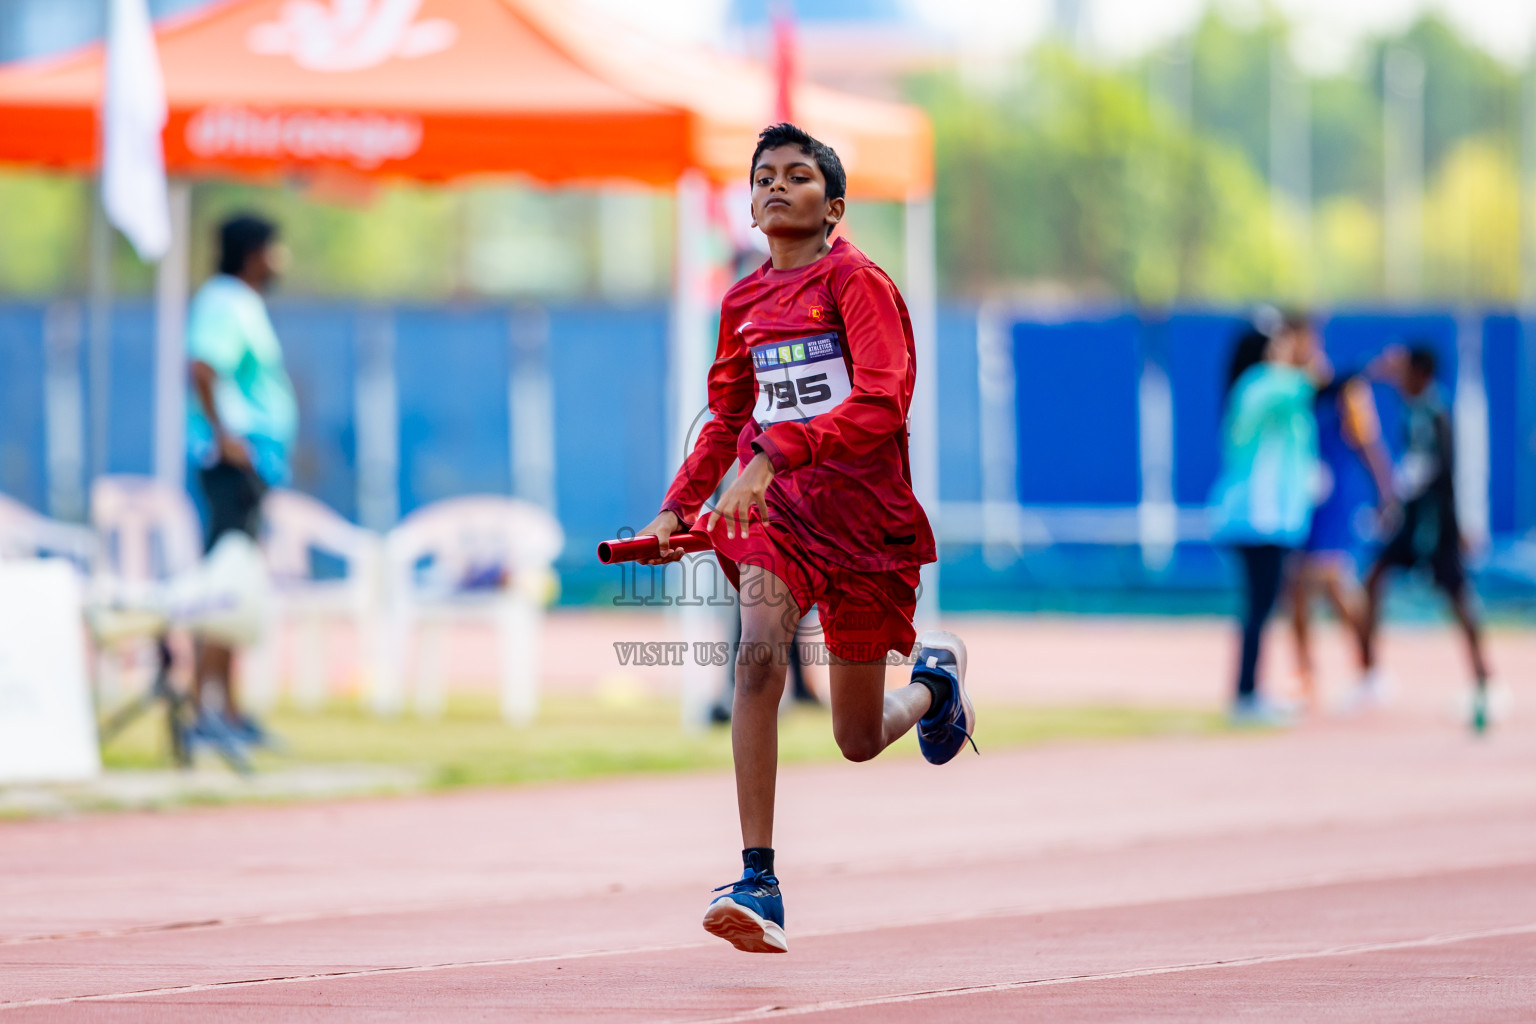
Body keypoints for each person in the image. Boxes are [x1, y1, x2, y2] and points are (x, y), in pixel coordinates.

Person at [633, 123, 975, 954]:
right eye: (763, 178)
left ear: (835, 207)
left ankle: (934, 683)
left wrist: (781, 449)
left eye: (797, 176)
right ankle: (759, 878)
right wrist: (676, 509)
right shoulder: (743, 302)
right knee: (755, 657)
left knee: (857, 740)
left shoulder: (857, 283)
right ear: (750, 206)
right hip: (779, 519)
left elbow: (885, 401)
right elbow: (725, 420)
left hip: (866, 524)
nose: (776, 186)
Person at [185, 213, 296, 747]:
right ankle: (200, 708)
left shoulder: (239, 303)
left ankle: (225, 708)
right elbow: (203, 368)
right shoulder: (224, 302)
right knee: (224, 586)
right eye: (276, 249)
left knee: (238, 586)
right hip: (233, 468)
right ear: (255, 252)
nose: (282, 261)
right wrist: (225, 435)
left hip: (250, 467)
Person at [1359, 345, 1495, 732]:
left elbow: (1439, 470)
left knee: (1458, 596)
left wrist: (1398, 496)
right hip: (1412, 522)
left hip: (1438, 526)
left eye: (1404, 372)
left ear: (1420, 374)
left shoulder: (1438, 415)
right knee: (1373, 579)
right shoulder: (1413, 409)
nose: (1398, 379)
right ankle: (1370, 676)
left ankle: (1484, 680)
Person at [1209, 320, 1325, 725]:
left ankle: (1249, 691)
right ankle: (1246, 694)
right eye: (1278, 344)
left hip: (1262, 517)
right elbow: (1318, 385)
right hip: (1258, 517)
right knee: (1259, 607)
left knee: (1260, 606)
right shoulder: (1263, 383)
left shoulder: (1254, 386)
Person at [1286, 317, 1398, 712]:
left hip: (1334, 499)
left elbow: (1368, 443)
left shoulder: (1344, 389)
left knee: (1332, 580)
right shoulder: (1290, 389)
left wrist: (1386, 492)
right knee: (1294, 588)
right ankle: (1306, 677)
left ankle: (1369, 670)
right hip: (1296, 501)